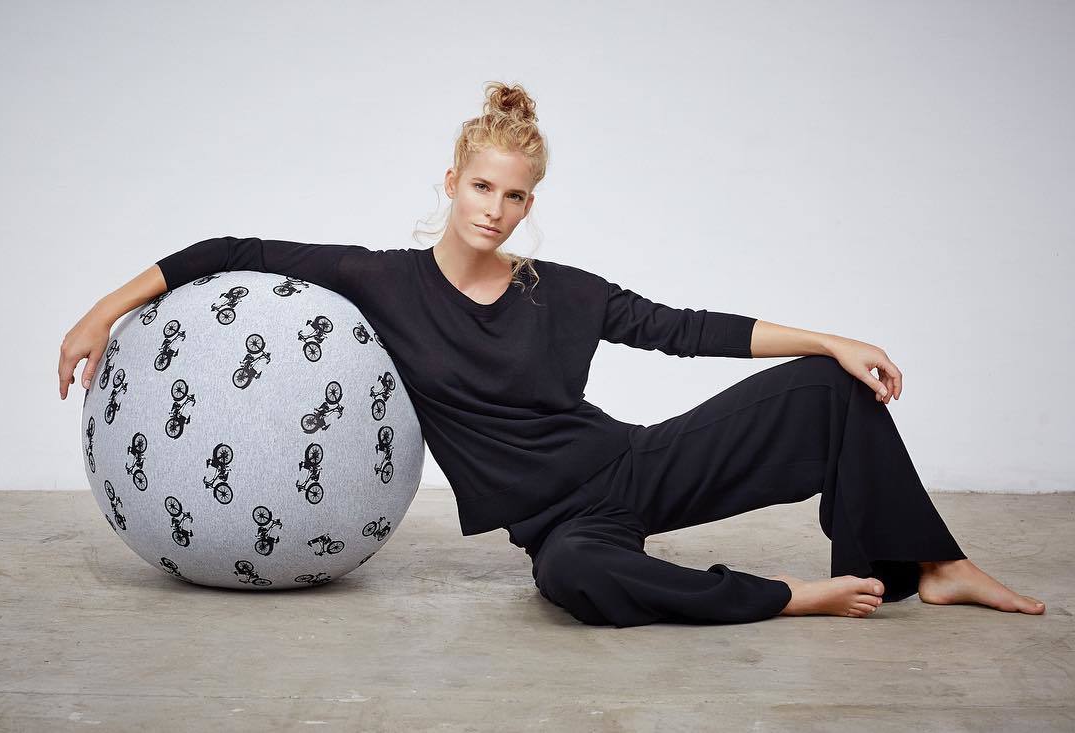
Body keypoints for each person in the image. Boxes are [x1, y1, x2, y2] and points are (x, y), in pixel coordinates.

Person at [59, 81, 1045, 627]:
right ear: (452, 181)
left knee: (828, 388)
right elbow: (233, 249)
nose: (495, 210)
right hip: (560, 525)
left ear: (532, 200)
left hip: (637, 466)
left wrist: (831, 337)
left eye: (516, 195)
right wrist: (102, 312)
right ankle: (792, 599)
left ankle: (939, 562)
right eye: (482, 187)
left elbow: (685, 328)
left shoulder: (560, 291)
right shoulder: (381, 281)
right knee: (572, 581)